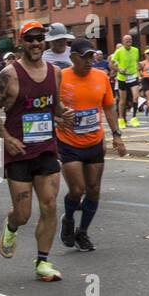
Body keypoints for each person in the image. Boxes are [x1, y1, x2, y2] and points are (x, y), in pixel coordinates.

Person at [0, 21, 64, 282]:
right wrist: (6, 138)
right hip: (19, 152)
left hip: (45, 149)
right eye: (30, 39)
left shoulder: (55, 73)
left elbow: (56, 108)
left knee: (50, 205)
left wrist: (66, 116)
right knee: (23, 214)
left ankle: (42, 261)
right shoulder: (9, 75)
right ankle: (11, 227)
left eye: (39, 38)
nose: (35, 43)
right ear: (21, 43)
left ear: (45, 41)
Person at [56, 36, 127, 251]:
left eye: (92, 56)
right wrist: (58, 118)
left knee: (94, 190)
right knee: (77, 190)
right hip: (69, 142)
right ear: (73, 57)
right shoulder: (61, 77)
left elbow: (109, 108)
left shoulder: (101, 77)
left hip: (94, 141)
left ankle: (83, 232)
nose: (89, 61)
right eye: (85, 57)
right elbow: (50, 106)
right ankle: (68, 219)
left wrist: (116, 135)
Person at [110, 33, 142, 127]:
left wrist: (139, 68)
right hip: (122, 78)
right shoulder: (119, 51)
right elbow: (111, 64)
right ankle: (121, 119)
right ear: (123, 42)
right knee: (122, 101)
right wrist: (119, 70)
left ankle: (134, 118)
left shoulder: (136, 50)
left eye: (130, 40)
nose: (129, 42)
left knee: (136, 97)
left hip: (133, 76)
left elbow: (136, 62)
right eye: (127, 40)